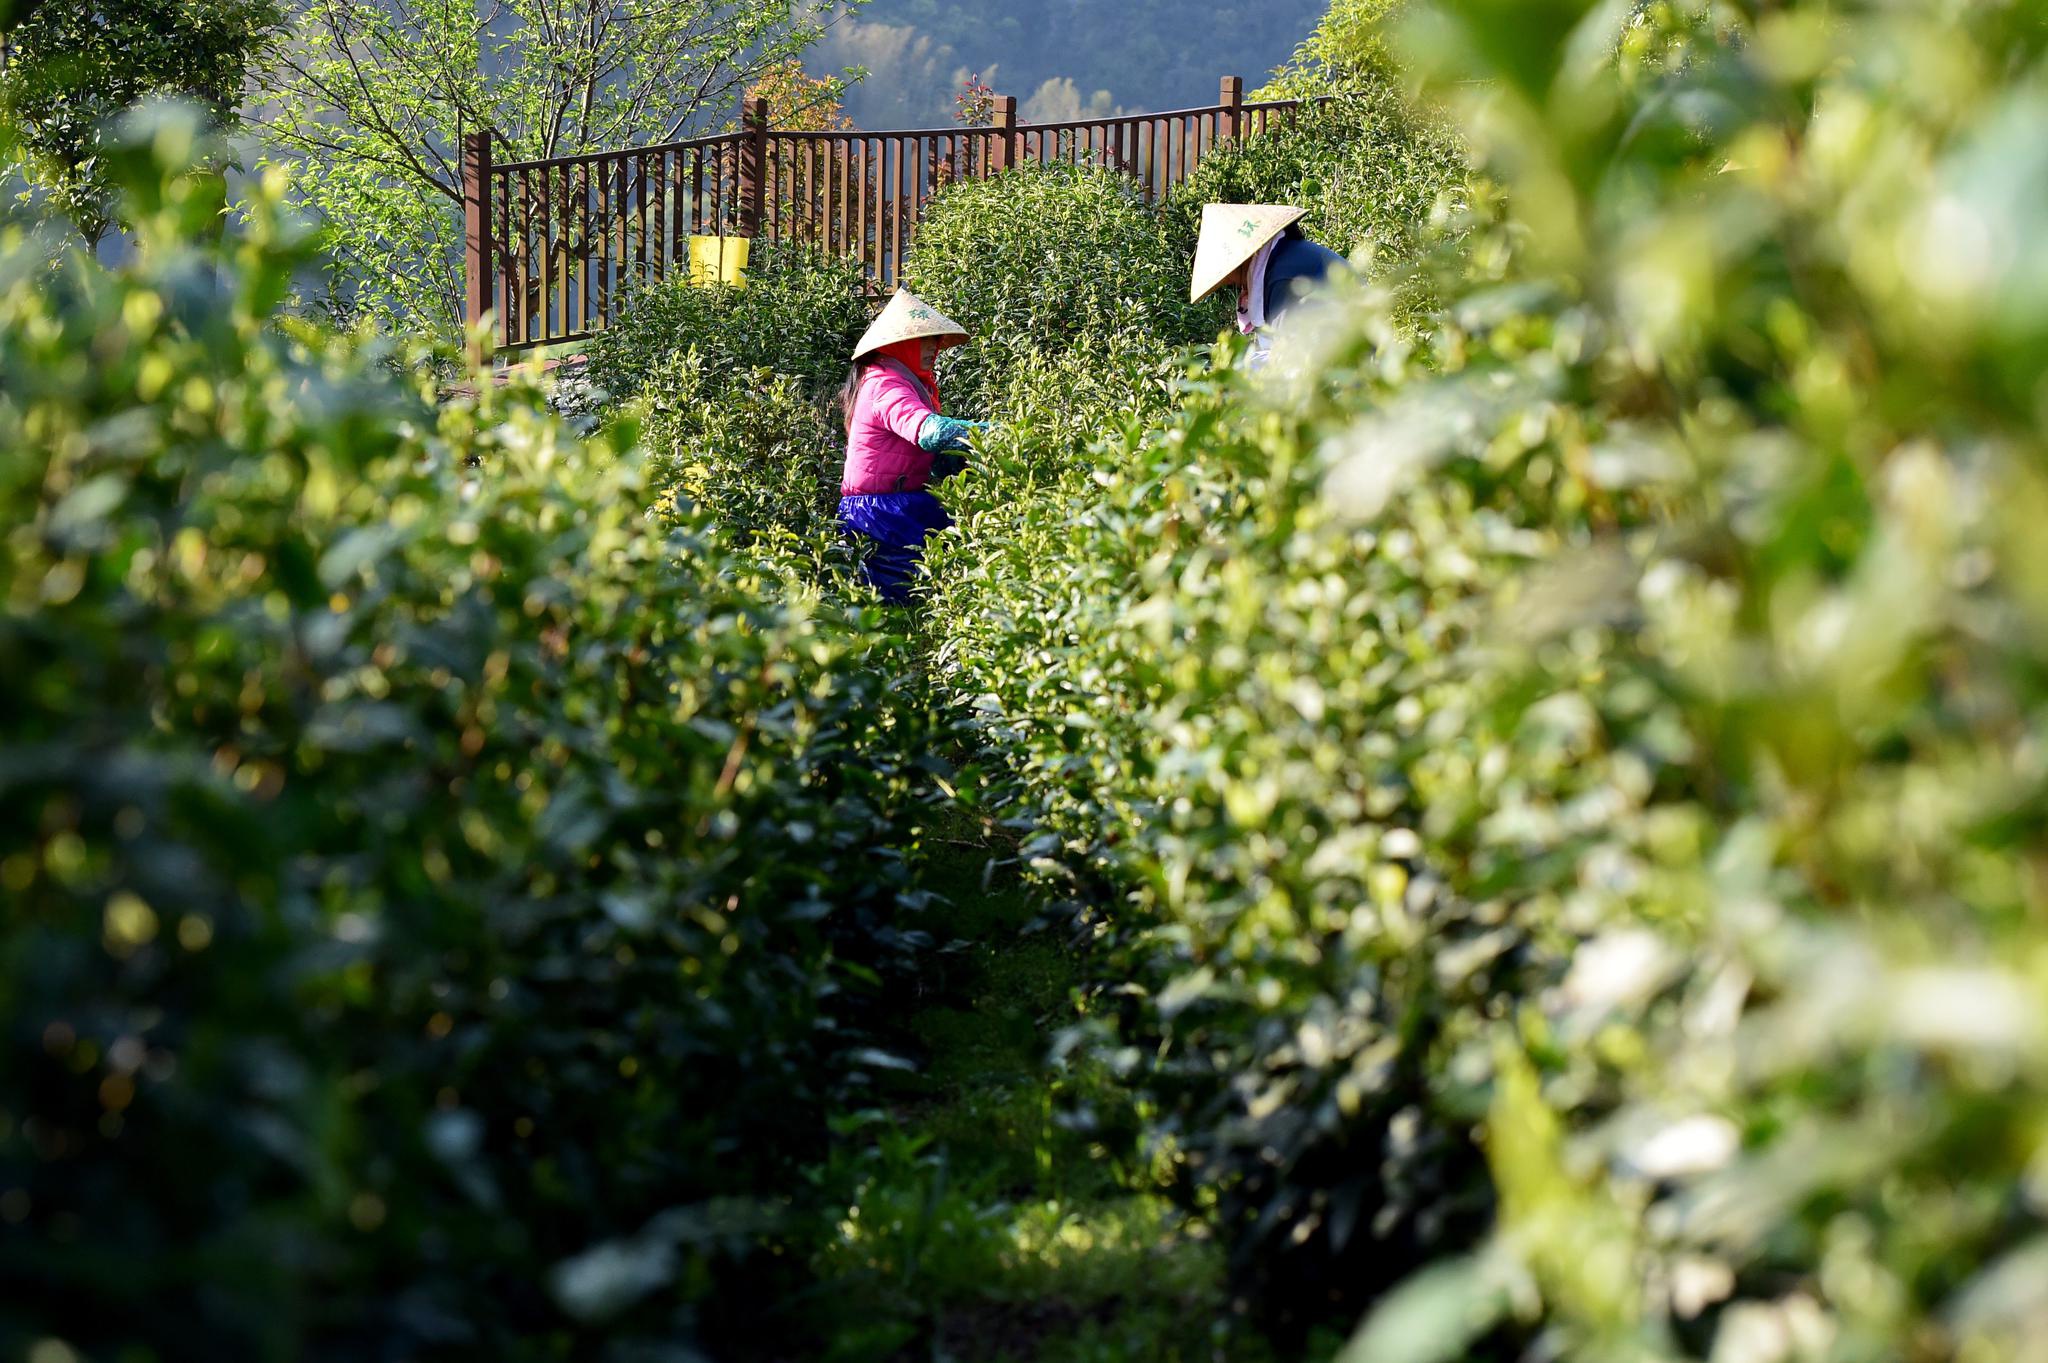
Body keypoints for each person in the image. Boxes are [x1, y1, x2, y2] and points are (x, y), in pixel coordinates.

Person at [837, 290, 989, 602]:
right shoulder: (885, 383)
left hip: (900, 504)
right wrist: (993, 432)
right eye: (925, 339)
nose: (933, 348)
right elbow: (929, 432)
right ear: (900, 343)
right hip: (880, 513)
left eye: (935, 340)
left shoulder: (900, 380)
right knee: (903, 606)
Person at [1189, 204, 1346, 363]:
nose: (1230, 282)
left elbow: (1291, 359)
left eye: (1226, 276)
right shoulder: (1282, 260)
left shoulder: (1283, 275)